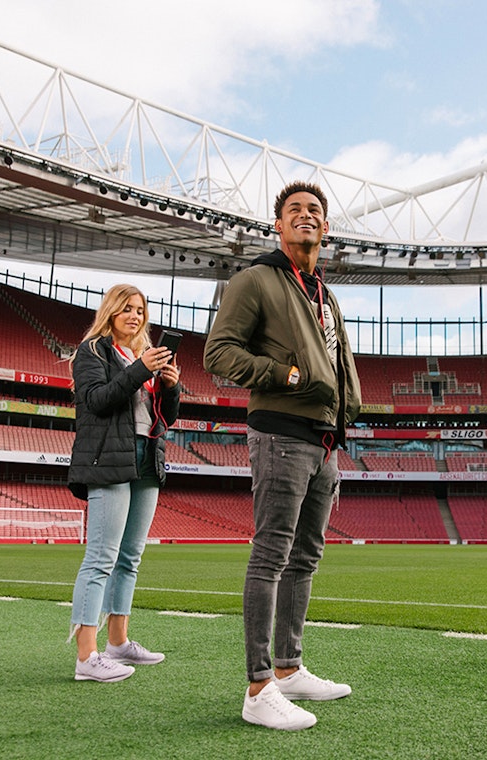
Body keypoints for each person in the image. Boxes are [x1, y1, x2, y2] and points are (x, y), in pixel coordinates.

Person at [204, 181, 362, 730]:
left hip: (323, 439)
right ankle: (258, 686)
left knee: (306, 557)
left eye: (314, 210)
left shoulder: (325, 292)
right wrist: (285, 375)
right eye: (293, 210)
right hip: (280, 434)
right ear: (277, 225)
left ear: (326, 228)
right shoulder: (255, 279)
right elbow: (218, 352)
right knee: (271, 554)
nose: (305, 216)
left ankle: (291, 667)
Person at [66, 283, 181, 682]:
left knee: (130, 558)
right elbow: (96, 400)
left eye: (140, 310)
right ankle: (86, 656)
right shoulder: (92, 351)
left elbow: (166, 416)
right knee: (101, 557)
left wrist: (170, 386)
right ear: (111, 312)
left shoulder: (140, 357)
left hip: (147, 458)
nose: (135, 315)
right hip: (110, 459)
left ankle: (118, 643)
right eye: (127, 308)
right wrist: (140, 370)